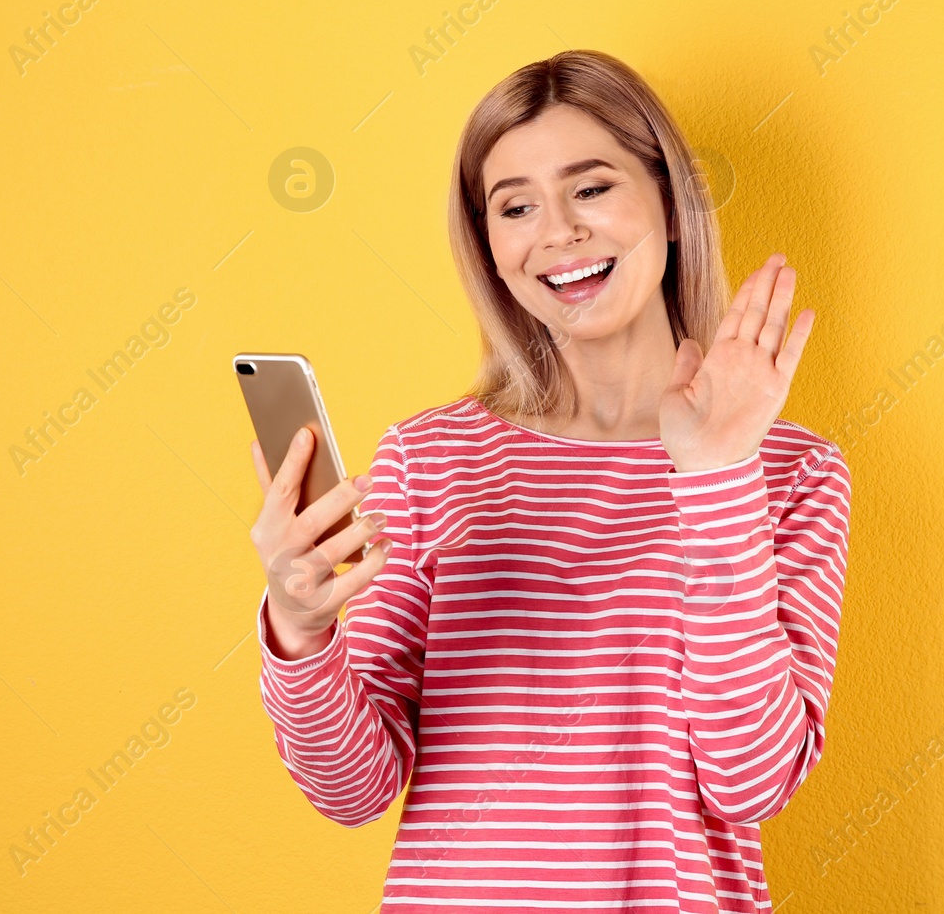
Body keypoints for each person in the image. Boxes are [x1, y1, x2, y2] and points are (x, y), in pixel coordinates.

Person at [250, 50, 853, 912]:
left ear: (671, 205)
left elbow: (751, 780)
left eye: (593, 188)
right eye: (517, 206)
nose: (557, 230)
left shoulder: (791, 470)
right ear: (492, 248)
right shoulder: (430, 459)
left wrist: (716, 475)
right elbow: (354, 790)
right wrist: (301, 630)